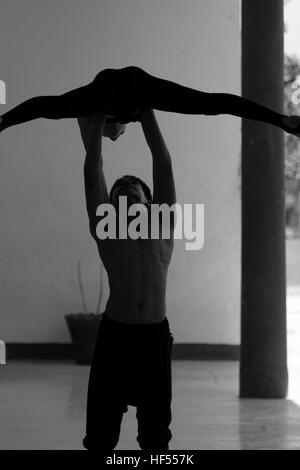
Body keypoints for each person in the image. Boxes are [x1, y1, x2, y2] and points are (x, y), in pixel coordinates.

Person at [78, 108, 175, 451]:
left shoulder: (164, 226)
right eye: (120, 186)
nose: (126, 186)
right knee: (101, 437)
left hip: (153, 339)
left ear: (152, 203)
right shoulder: (105, 231)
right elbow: (93, 170)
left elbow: (162, 164)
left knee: (155, 438)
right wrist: (99, 120)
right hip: (115, 339)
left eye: (134, 184)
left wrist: (147, 114)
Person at [1, 65, 300, 136]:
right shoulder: (104, 111)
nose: (116, 138)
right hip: (134, 87)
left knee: (211, 105)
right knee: (211, 105)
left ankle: (281, 120)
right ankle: (281, 120)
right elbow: (44, 107)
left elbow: (44, 107)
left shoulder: (92, 111)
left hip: (119, 88)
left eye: (112, 136)